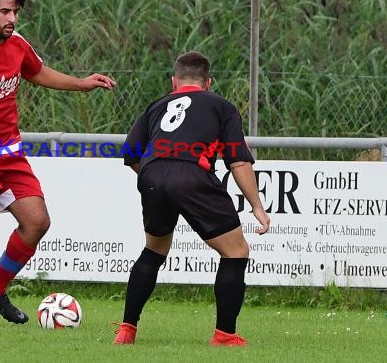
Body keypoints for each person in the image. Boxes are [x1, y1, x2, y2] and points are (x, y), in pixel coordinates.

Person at [0, 0, 116, 326]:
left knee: (37, 221)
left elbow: (37, 71)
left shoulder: (17, 43)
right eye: (4, 11)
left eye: (15, 12)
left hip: (10, 154)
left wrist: (82, 83)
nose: (11, 18)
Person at [113, 51, 270, 346]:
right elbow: (238, 161)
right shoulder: (222, 107)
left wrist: (157, 177)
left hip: (152, 173)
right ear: (208, 82)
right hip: (192, 173)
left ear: (174, 81)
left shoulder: (156, 106)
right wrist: (257, 207)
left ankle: (126, 330)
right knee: (236, 251)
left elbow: (130, 153)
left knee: (154, 250)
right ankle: (224, 335)